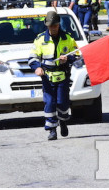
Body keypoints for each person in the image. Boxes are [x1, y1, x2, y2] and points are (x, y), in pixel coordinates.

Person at [28, 11, 80, 140]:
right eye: (50, 26)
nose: (53, 28)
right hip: (47, 77)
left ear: (58, 24)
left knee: (62, 103)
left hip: (63, 76)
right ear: (47, 25)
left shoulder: (68, 38)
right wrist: (37, 67)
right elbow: (32, 58)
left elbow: (78, 55)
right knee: (50, 102)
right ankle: (51, 129)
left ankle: (63, 121)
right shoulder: (40, 40)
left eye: (55, 25)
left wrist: (68, 59)